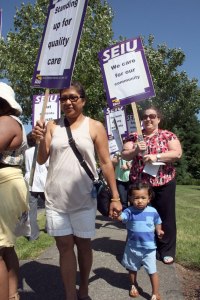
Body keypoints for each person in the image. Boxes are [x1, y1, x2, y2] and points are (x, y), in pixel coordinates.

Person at [32, 81, 122, 300]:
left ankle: (84, 286)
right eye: (63, 98)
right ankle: (70, 295)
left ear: (83, 100)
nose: (68, 102)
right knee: (64, 247)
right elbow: (43, 160)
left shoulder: (94, 126)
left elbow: (105, 163)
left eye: (73, 97)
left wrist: (115, 197)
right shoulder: (52, 126)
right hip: (55, 199)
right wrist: (40, 138)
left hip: (83, 198)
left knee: (83, 245)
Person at [122, 106, 182, 264]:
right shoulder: (134, 137)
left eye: (152, 116)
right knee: (139, 217)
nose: (148, 119)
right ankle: (143, 247)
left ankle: (166, 250)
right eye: (145, 116)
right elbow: (124, 154)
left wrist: (157, 156)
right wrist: (135, 150)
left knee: (165, 216)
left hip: (164, 182)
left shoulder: (167, 135)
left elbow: (177, 153)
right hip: (140, 185)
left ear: (158, 119)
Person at [0, 82, 29, 300]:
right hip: (8, 183)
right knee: (6, 247)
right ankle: (12, 295)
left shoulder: (7, 122)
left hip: (5, 184)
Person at [114, 182, 164, 300]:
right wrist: (118, 216)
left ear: (149, 198)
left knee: (152, 271)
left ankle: (155, 293)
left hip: (149, 249)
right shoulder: (129, 211)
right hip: (132, 247)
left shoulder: (152, 211)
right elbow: (123, 218)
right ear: (130, 198)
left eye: (143, 197)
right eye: (136, 198)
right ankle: (133, 285)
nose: (140, 201)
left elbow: (158, 221)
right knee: (132, 269)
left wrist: (159, 231)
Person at [24, 132, 48, 241]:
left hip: (31, 181)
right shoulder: (42, 150)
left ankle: (33, 235)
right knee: (50, 206)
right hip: (43, 180)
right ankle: (50, 227)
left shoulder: (26, 152)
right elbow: (47, 165)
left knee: (31, 210)